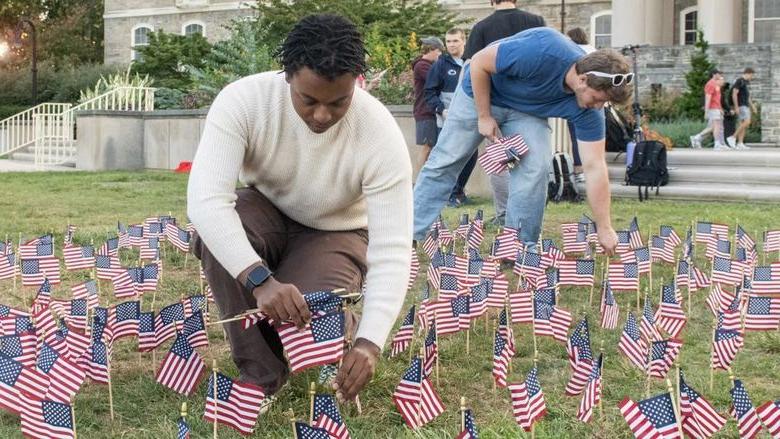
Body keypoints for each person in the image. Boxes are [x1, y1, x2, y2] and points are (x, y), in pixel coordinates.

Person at [188, 14, 413, 405]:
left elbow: (392, 250)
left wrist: (370, 343)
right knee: (219, 235)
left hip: (338, 232)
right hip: (266, 214)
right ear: (288, 77)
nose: (322, 115)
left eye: (338, 102)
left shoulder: (380, 133)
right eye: (308, 100)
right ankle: (262, 377)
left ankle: (338, 330)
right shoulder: (243, 101)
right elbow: (206, 201)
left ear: (356, 84)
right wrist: (259, 279)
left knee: (307, 318)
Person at [414, 27, 631, 255]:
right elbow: (479, 63)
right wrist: (484, 115)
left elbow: (595, 167)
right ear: (583, 80)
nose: (599, 107)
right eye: (598, 99)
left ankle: (517, 247)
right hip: (479, 92)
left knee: (536, 167)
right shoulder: (543, 50)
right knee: (446, 160)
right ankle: (408, 234)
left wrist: (604, 227)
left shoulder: (590, 111)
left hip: (526, 111)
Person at [462, 0, 546, 225]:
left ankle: (503, 215)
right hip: (527, 104)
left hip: (494, 102)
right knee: (529, 167)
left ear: (492, 1)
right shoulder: (536, 22)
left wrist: (481, 111)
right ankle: (524, 221)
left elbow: (471, 67)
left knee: (500, 163)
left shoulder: (482, 27)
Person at [424, 28, 475, 207]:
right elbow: (429, 92)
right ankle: (450, 195)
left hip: (470, 119)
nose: (451, 44)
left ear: (464, 41)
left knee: (470, 156)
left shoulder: (472, 62)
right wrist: (441, 110)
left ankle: (459, 191)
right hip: (446, 120)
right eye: (449, 41)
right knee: (449, 157)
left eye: (455, 41)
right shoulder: (440, 64)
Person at [566, 27, 598, 191]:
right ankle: (592, 169)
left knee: (575, 135)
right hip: (594, 99)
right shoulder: (593, 52)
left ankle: (579, 168)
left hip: (576, 98)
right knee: (592, 137)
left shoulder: (573, 52)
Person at [413, 37, 444, 165]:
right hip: (425, 112)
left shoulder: (429, 65)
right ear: (431, 49)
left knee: (432, 148)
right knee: (427, 147)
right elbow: (438, 81)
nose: (440, 54)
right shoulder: (422, 66)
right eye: (439, 51)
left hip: (431, 112)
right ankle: (420, 181)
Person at [690, 70, 729, 150]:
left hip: (716, 108)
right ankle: (716, 144)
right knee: (717, 126)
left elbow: (717, 99)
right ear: (714, 74)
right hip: (713, 108)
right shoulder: (710, 84)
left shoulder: (716, 85)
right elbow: (708, 98)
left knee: (713, 127)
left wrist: (720, 108)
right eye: (718, 74)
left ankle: (696, 138)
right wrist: (706, 111)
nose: (720, 75)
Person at [728, 67, 756, 150]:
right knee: (747, 122)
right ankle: (732, 137)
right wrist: (736, 107)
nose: (752, 77)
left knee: (743, 124)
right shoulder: (739, 81)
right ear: (748, 73)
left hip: (745, 105)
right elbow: (734, 94)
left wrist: (753, 106)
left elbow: (747, 97)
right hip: (741, 105)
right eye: (752, 75)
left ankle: (740, 143)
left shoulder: (745, 82)